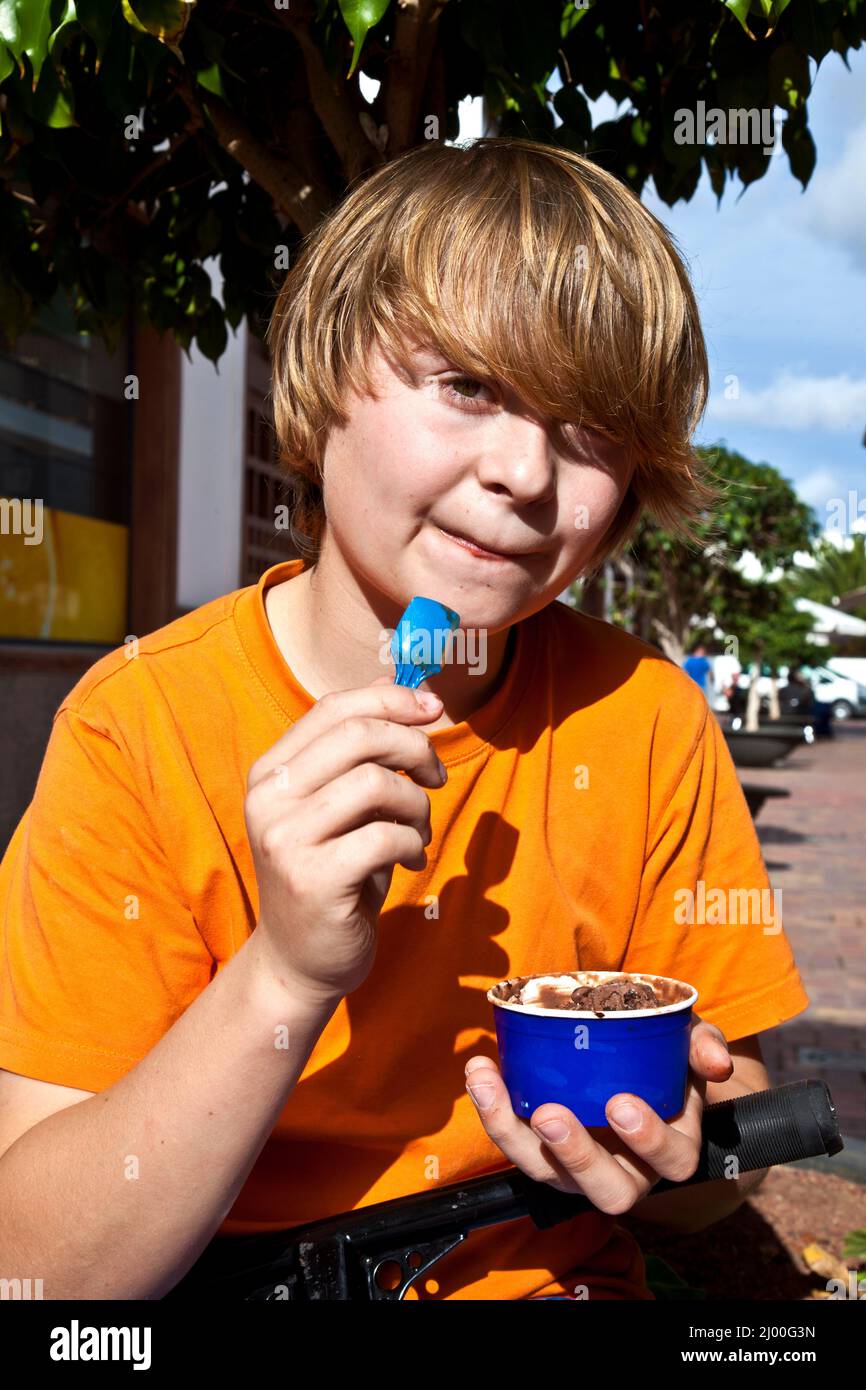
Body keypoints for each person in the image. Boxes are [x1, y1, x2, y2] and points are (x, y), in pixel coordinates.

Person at [0, 138, 810, 1302]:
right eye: (468, 386)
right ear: (323, 378)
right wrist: (282, 972)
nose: (524, 472)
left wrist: (675, 1150)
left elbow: (721, 1164)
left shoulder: (644, 721)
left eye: (587, 428)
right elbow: (42, 1274)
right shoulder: (142, 726)